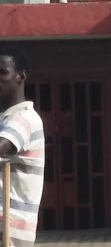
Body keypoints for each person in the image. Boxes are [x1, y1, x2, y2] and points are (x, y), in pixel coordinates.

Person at [0, 45, 44, 247]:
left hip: (9, 227)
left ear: (21, 76)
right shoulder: (6, 119)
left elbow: (3, 146)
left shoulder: (23, 118)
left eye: (2, 72)